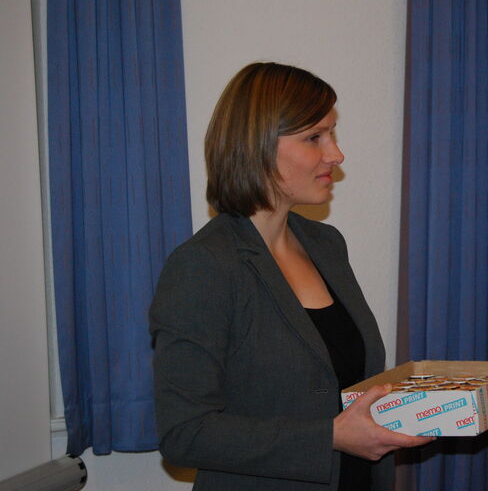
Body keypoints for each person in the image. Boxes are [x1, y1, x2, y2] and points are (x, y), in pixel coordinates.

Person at [150, 62, 432, 490]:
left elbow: (345, 383)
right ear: (257, 146)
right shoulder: (205, 266)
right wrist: (330, 438)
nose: (336, 154)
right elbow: (185, 433)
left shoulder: (326, 244)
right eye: (314, 137)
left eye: (332, 133)